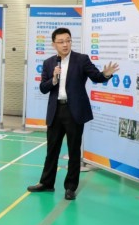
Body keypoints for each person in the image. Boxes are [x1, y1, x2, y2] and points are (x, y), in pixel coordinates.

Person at [27, 27, 119, 201]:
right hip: (55, 111)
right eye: (61, 42)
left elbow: (96, 76)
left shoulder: (81, 59)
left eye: (68, 40)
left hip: (74, 111)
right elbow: (43, 88)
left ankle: (70, 187)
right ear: (54, 44)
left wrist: (106, 75)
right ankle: (46, 183)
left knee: (74, 151)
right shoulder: (48, 63)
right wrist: (54, 79)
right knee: (52, 150)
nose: (65, 44)